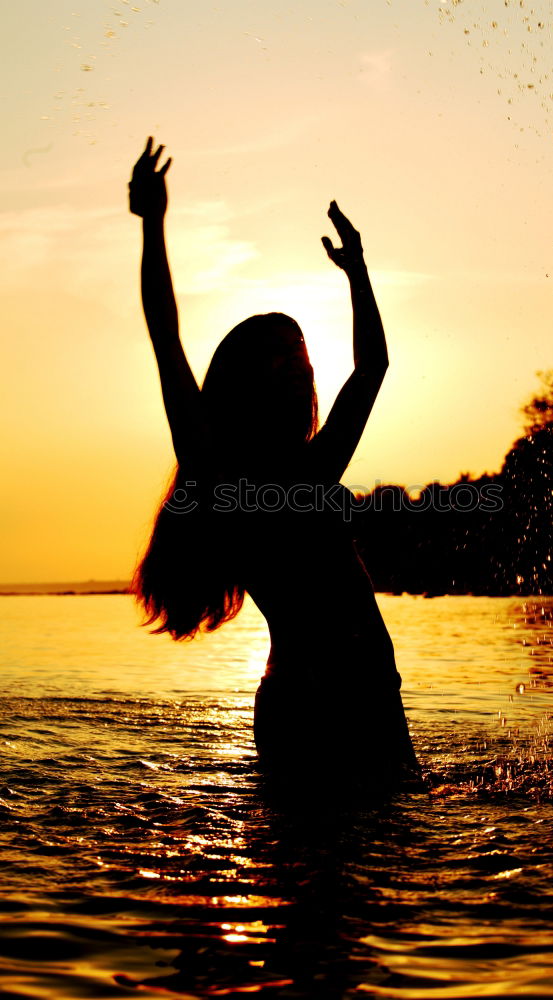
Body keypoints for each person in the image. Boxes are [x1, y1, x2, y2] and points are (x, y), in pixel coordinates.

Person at [129, 138, 419, 794]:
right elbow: (164, 334)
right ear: (244, 381)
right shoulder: (216, 466)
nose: (299, 367)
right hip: (310, 703)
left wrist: (358, 269)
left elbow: (372, 367)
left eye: (303, 357)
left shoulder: (316, 469)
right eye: (280, 358)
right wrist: (153, 225)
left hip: (374, 692)